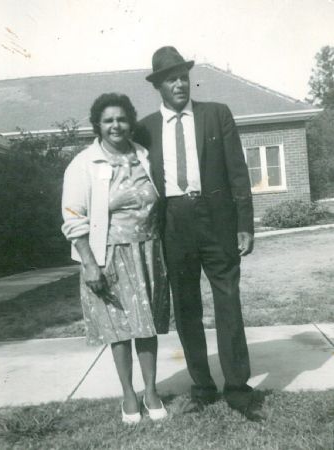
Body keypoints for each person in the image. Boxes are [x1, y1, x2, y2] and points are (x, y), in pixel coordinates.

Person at [134, 47, 263, 420]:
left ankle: (238, 388)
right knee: (186, 308)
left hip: (216, 219)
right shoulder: (146, 129)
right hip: (173, 223)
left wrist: (244, 224)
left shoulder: (216, 114)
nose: (179, 83)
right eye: (170, 78)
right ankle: (203, 386)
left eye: (182, 76)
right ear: (158, 85)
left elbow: (238, 172)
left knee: (228, 302)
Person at [61, 93, 169, 424]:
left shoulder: (144, 155)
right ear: (98, 125)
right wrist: (90, 263)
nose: (115, 125)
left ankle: (151, 391)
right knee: (119, 329)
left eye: (121, 119)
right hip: (108, 255)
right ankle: (128, 395)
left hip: (149, 250)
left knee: (147, 325)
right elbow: (72, 217)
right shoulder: (84, 163)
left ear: (130, 122)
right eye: (108, 120)